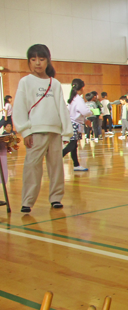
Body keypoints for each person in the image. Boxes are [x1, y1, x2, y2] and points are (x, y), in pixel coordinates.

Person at [12, 44, 73, 213]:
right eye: (33, 59)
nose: (37, 63)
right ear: (29, 62)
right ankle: (27, 201)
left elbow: (62, 108)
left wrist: (66, 132)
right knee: (32, 167)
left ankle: (56, 198)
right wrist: (25, 131)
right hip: (35, 132)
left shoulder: (55, 84)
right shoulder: (25, 82)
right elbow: (19, 108)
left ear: (48, 60)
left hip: (55, 132)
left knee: (56, 167)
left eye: (41, 59)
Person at [65, 78, 92, 171]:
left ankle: (76, 165)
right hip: (75, 124)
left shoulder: (73, 98)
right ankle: (57, 158)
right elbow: (85, 111)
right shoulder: (78, 99)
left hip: (73, 123)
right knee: (72, 144)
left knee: (74, 145)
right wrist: (91, 112)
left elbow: (77, 113)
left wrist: (85, 120)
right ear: (81, 88)